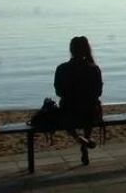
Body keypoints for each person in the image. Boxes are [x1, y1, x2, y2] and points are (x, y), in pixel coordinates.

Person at [54, 36, 103, 166]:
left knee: (64, 116)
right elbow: (98, 92)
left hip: (69, 111)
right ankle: (86, 138)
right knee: (90, 109)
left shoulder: (62, 68)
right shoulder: (94, 69)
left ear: (71, 50)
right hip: (90, 112)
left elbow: (58, 92)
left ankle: (78, 138)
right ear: (87, 50)